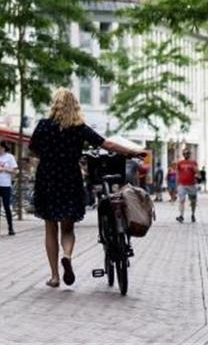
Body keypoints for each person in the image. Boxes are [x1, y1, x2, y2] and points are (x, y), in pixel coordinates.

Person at [29, 88, 142, 288]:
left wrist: (49, 157)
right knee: (67, 227)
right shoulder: (79, 127)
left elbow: (34, 150)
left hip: (47, 178)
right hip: (70, 178)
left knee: (50, 227)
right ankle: (67, 255)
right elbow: (107, 144)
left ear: (54, 104)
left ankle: (55, 276)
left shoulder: (43, 126)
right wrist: (132, 151)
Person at [175, 148, 199, 223]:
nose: (186, 155)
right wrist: (177, 184)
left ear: (189, 154)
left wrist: (196, 173)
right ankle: (181, 216)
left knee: (193, 201)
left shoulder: (193, 163)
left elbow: (197, 173)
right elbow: (177, 173)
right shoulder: (180, 163)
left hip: (191, 185)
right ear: (183, 154)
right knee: (181, 200)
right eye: (184, 153)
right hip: (182, 185)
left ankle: (193, 214)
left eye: (187, 153)